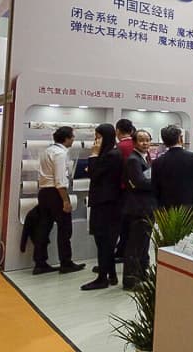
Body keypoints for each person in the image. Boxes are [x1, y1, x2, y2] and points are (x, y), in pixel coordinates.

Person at [32, 126, 85, 275]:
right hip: (56, 193)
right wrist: (65, 200)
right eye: (72, 137)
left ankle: (40, 263)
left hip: (44, 192)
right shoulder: (61, 154)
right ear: (66, 138)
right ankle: (66, 263)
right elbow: (60, 180)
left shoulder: (47, 151)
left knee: (44, 227)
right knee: (65, 229)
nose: (73, 139)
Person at [82, 123, 123, 290]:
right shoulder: (110, 154)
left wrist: (93, 155)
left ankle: (102, 278)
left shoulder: (112, 155)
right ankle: (111, 275)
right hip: (105, 203)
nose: (96, 141)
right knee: (105, 242)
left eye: (98, 137)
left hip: (107, 205)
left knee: (104, 241)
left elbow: (94, 174)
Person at [122, 129, 156, 290]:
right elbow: (140, 182)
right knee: (135, 246)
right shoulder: (133, 160)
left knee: (143, 243)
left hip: (146, 205)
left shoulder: (145, 157)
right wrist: (158, 182)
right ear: (134, 142)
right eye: (141, 140)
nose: (145, 143)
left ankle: (142, 273)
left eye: (147, 140)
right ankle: (130, 280)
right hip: (139, 207)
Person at [152, 125, 193, 208]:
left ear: (164, 141)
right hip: (189, 205)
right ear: (180, 138)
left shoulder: (157, 162)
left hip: (166, 207)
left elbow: (155, 188)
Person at [114, 118, 135, 261]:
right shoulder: (138, 145)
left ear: (117, 131)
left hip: (121, 190)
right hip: (136, 190)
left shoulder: (118, 148)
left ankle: (122, 250)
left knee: (122, 223)